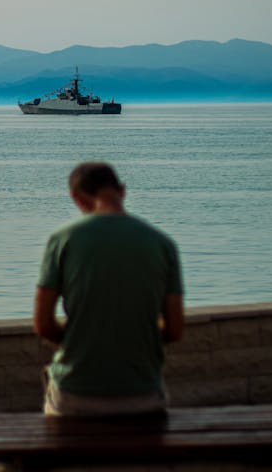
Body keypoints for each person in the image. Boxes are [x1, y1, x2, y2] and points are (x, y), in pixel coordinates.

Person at [33, 161, 184, 416]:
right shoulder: (163, 243)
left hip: (75, 396)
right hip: (143, 396)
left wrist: (79, 342)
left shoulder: (62, 240)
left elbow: (43, 324)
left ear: (77, 198)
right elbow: (175, 329)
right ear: (122, 190)